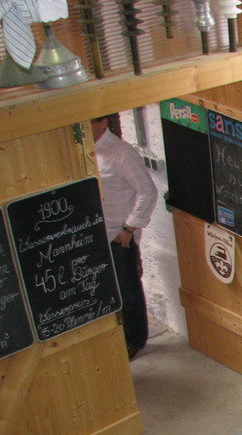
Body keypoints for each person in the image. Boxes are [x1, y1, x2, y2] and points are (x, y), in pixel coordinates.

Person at [90, 113, 158, 360]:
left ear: (102, 122)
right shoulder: (82, 151)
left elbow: (147, 191)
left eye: (88, 123)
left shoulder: (121, 153)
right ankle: (113, 335)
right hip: (93, 236)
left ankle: (134, 339)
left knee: (127, 290)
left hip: (118, 236)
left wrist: (129, 229)